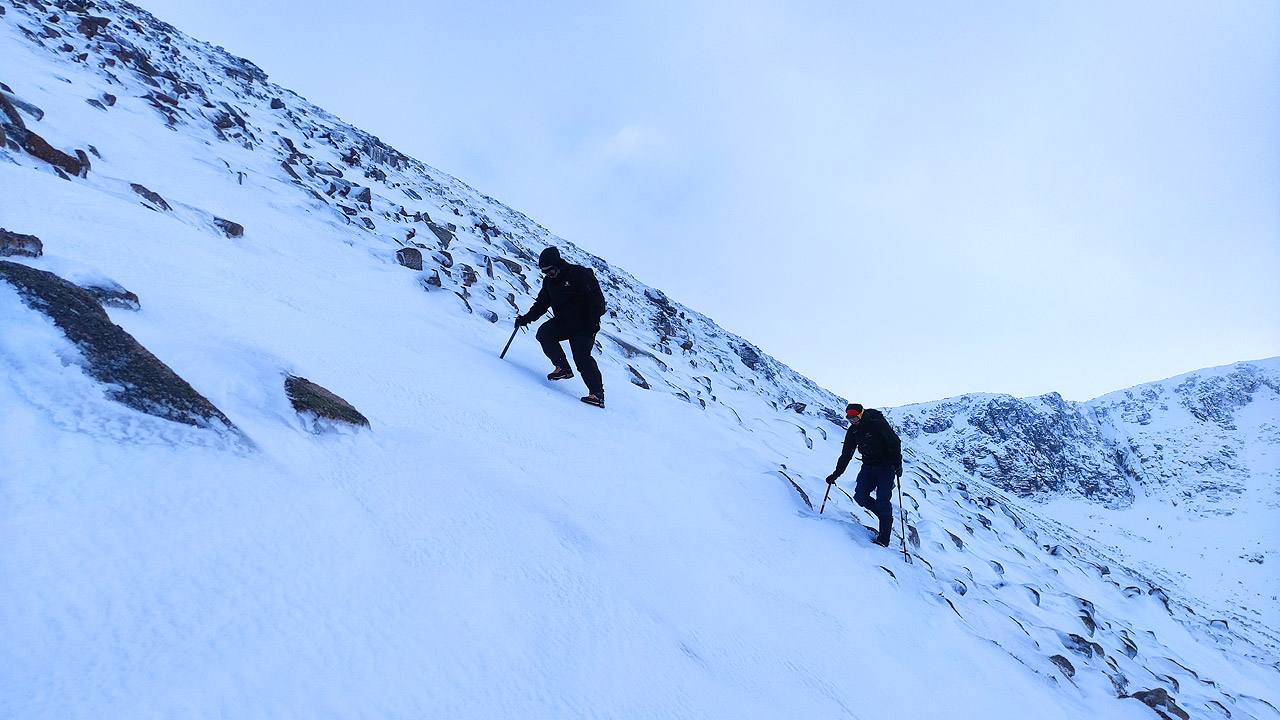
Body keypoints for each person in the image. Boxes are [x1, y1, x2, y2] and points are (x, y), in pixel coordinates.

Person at [515, 247, 607, 408]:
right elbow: (542, 304)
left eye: (550, 271)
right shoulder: (549, 282)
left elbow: (597, 300)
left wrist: (593, 323)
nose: (548, 275)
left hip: (585, 325)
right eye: (544, 272)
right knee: (544, 333)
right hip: (565, 322)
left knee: (582, 358)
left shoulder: (579, 274)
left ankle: (597, 395)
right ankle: (562, 367)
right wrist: (525, 319)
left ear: (558, 265)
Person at [827, 403, 903, 547]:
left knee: (883, 500)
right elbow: (846, 454)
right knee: (860, 497)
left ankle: (884, 538)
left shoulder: (877, 424)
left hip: (886, 467)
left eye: (855, 418)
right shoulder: (853, 431)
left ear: (861, 415)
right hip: (868, 467)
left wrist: (897, 464)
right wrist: (836, 474)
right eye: (850, 419)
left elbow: (894, 442)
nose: (853, 422)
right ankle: (884, 516)